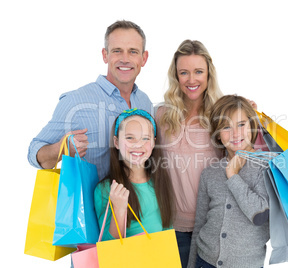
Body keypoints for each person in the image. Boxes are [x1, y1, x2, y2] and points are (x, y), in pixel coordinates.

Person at [27, 20, 152, 180]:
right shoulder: (76, 102)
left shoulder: (145, 102)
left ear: (144, 58)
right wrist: (61, 149)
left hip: (137, 203)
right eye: (117, 51)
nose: (125, 59)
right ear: (105, 55)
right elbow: (33, 152)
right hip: (90, 204)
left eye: (133, 51)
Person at [155, 40, 224, 267]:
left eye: (198, 72)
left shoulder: (222, 115)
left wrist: (247, 114)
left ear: (208, 74)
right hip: (169, 228)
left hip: (214, 228)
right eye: (184, 72)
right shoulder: (161, 115)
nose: (191, 80)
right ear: (176, 76)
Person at [188, 95, 270, 268]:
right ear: (218, 135)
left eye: (241, 124)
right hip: (204, 261)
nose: (235, 133)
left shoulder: (266, 168)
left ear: (252, 125)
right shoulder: (209, 174)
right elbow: (200, 225)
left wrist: (233, 176)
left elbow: (260, 215)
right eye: (226, 127)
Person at [94, 108, 175, 240]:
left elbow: (168, 230)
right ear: (116, 142)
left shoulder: (160, 182)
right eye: (130, 138)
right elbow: (108, 247)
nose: (138, 145)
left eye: (145, 138)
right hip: (127, 260)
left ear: (154, 143)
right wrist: (119, 209)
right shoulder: (106, 189)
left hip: (159, 259)